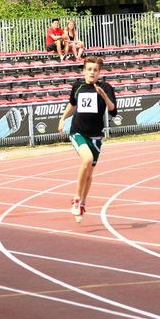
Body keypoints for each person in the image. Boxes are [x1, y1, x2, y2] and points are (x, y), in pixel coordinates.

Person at [57, 56, 117, 223]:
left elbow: (113, 110)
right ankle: (76, 198)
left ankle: (82, 203)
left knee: (89, 173)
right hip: (78, 132)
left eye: (95, 70)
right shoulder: (78, 86)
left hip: (96, 136)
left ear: (99, 72)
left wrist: (104, 96)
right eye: (89, 69)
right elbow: (72, 104)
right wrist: (62, 118)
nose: (92, 72)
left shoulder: (106, 87)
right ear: (84, 71)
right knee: (87, 159)